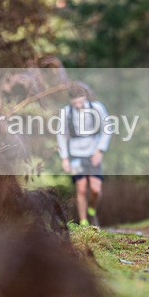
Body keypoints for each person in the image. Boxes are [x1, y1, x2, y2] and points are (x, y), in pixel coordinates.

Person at [57, 82, 111, 227]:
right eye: (74, 102)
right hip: (75, 154)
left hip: (93, 152)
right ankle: (84, 222)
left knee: (95, 189)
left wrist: (100, 150)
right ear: (70, 100)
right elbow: (61, 135)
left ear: (85, 97)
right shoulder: (66, 112)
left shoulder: (97, 108)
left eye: (80, 101)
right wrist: (64, 158)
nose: (78, 105)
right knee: (81, 188)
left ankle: (92, 211)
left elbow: (107, 128)